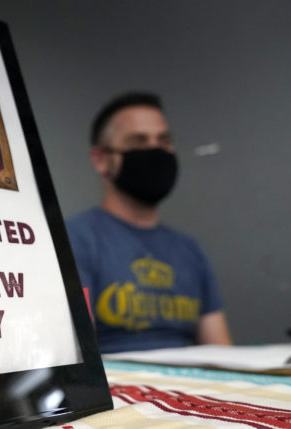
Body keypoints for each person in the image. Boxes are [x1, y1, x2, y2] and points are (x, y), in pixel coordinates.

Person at [66, 92, 232, 353]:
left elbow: (221, 350)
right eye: (138, 142)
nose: (155, 151)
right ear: (100, 160)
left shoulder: (189, 250)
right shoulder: (74, 240)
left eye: (164, 141)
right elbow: (77, 351)